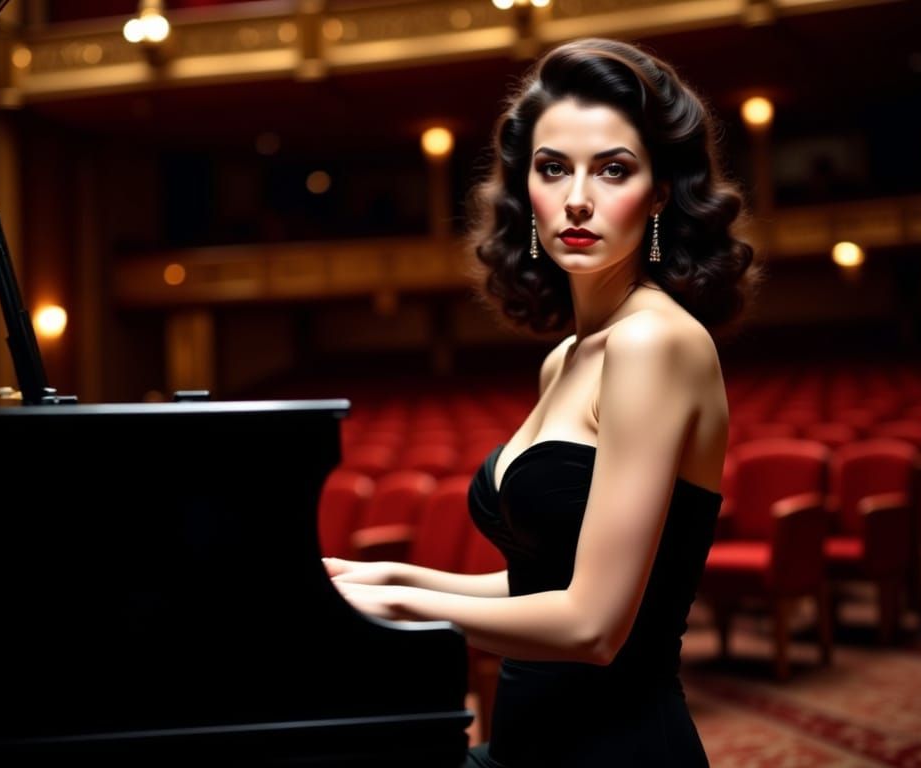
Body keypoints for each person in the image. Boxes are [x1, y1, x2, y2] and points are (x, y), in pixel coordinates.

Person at [324, 37, 757, 767]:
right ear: (527, 188)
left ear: (657, 194)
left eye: (612, 170)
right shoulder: (567, 356)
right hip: (526, 747)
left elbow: (594, 624)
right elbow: (544, 581)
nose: (577, 198)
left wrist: (398, 607)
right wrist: (382, 576)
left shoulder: (655, 345)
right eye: (553, 169)